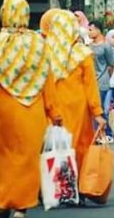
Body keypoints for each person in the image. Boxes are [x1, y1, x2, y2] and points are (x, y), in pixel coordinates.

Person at [0, 0, 62, 218]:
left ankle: (3, 204)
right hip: (33, 110)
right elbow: (47, 81)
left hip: (5, 109)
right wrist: (55, 114)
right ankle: (20, 211)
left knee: (5, 159)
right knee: (27, 159)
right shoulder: (39, 45)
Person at [42, 10, 106, 184]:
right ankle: (77, 186)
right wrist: (98, 113)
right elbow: (90, 86)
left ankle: (55, 185)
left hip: (52, 109)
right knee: (79, 146)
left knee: (54, 146)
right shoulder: (82, 54)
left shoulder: (45, 53)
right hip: (78, 109)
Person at [89, 20, 114, 140]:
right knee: (93, 108)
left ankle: (105, 133)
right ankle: (102, 132)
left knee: (98, 108)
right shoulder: (88, 46)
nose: (89, 32)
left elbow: (111, 64)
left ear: (98, 30)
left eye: (91, 29)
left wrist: (107, 77)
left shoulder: (106, 46)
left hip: (102, 80)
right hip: (91, 80)